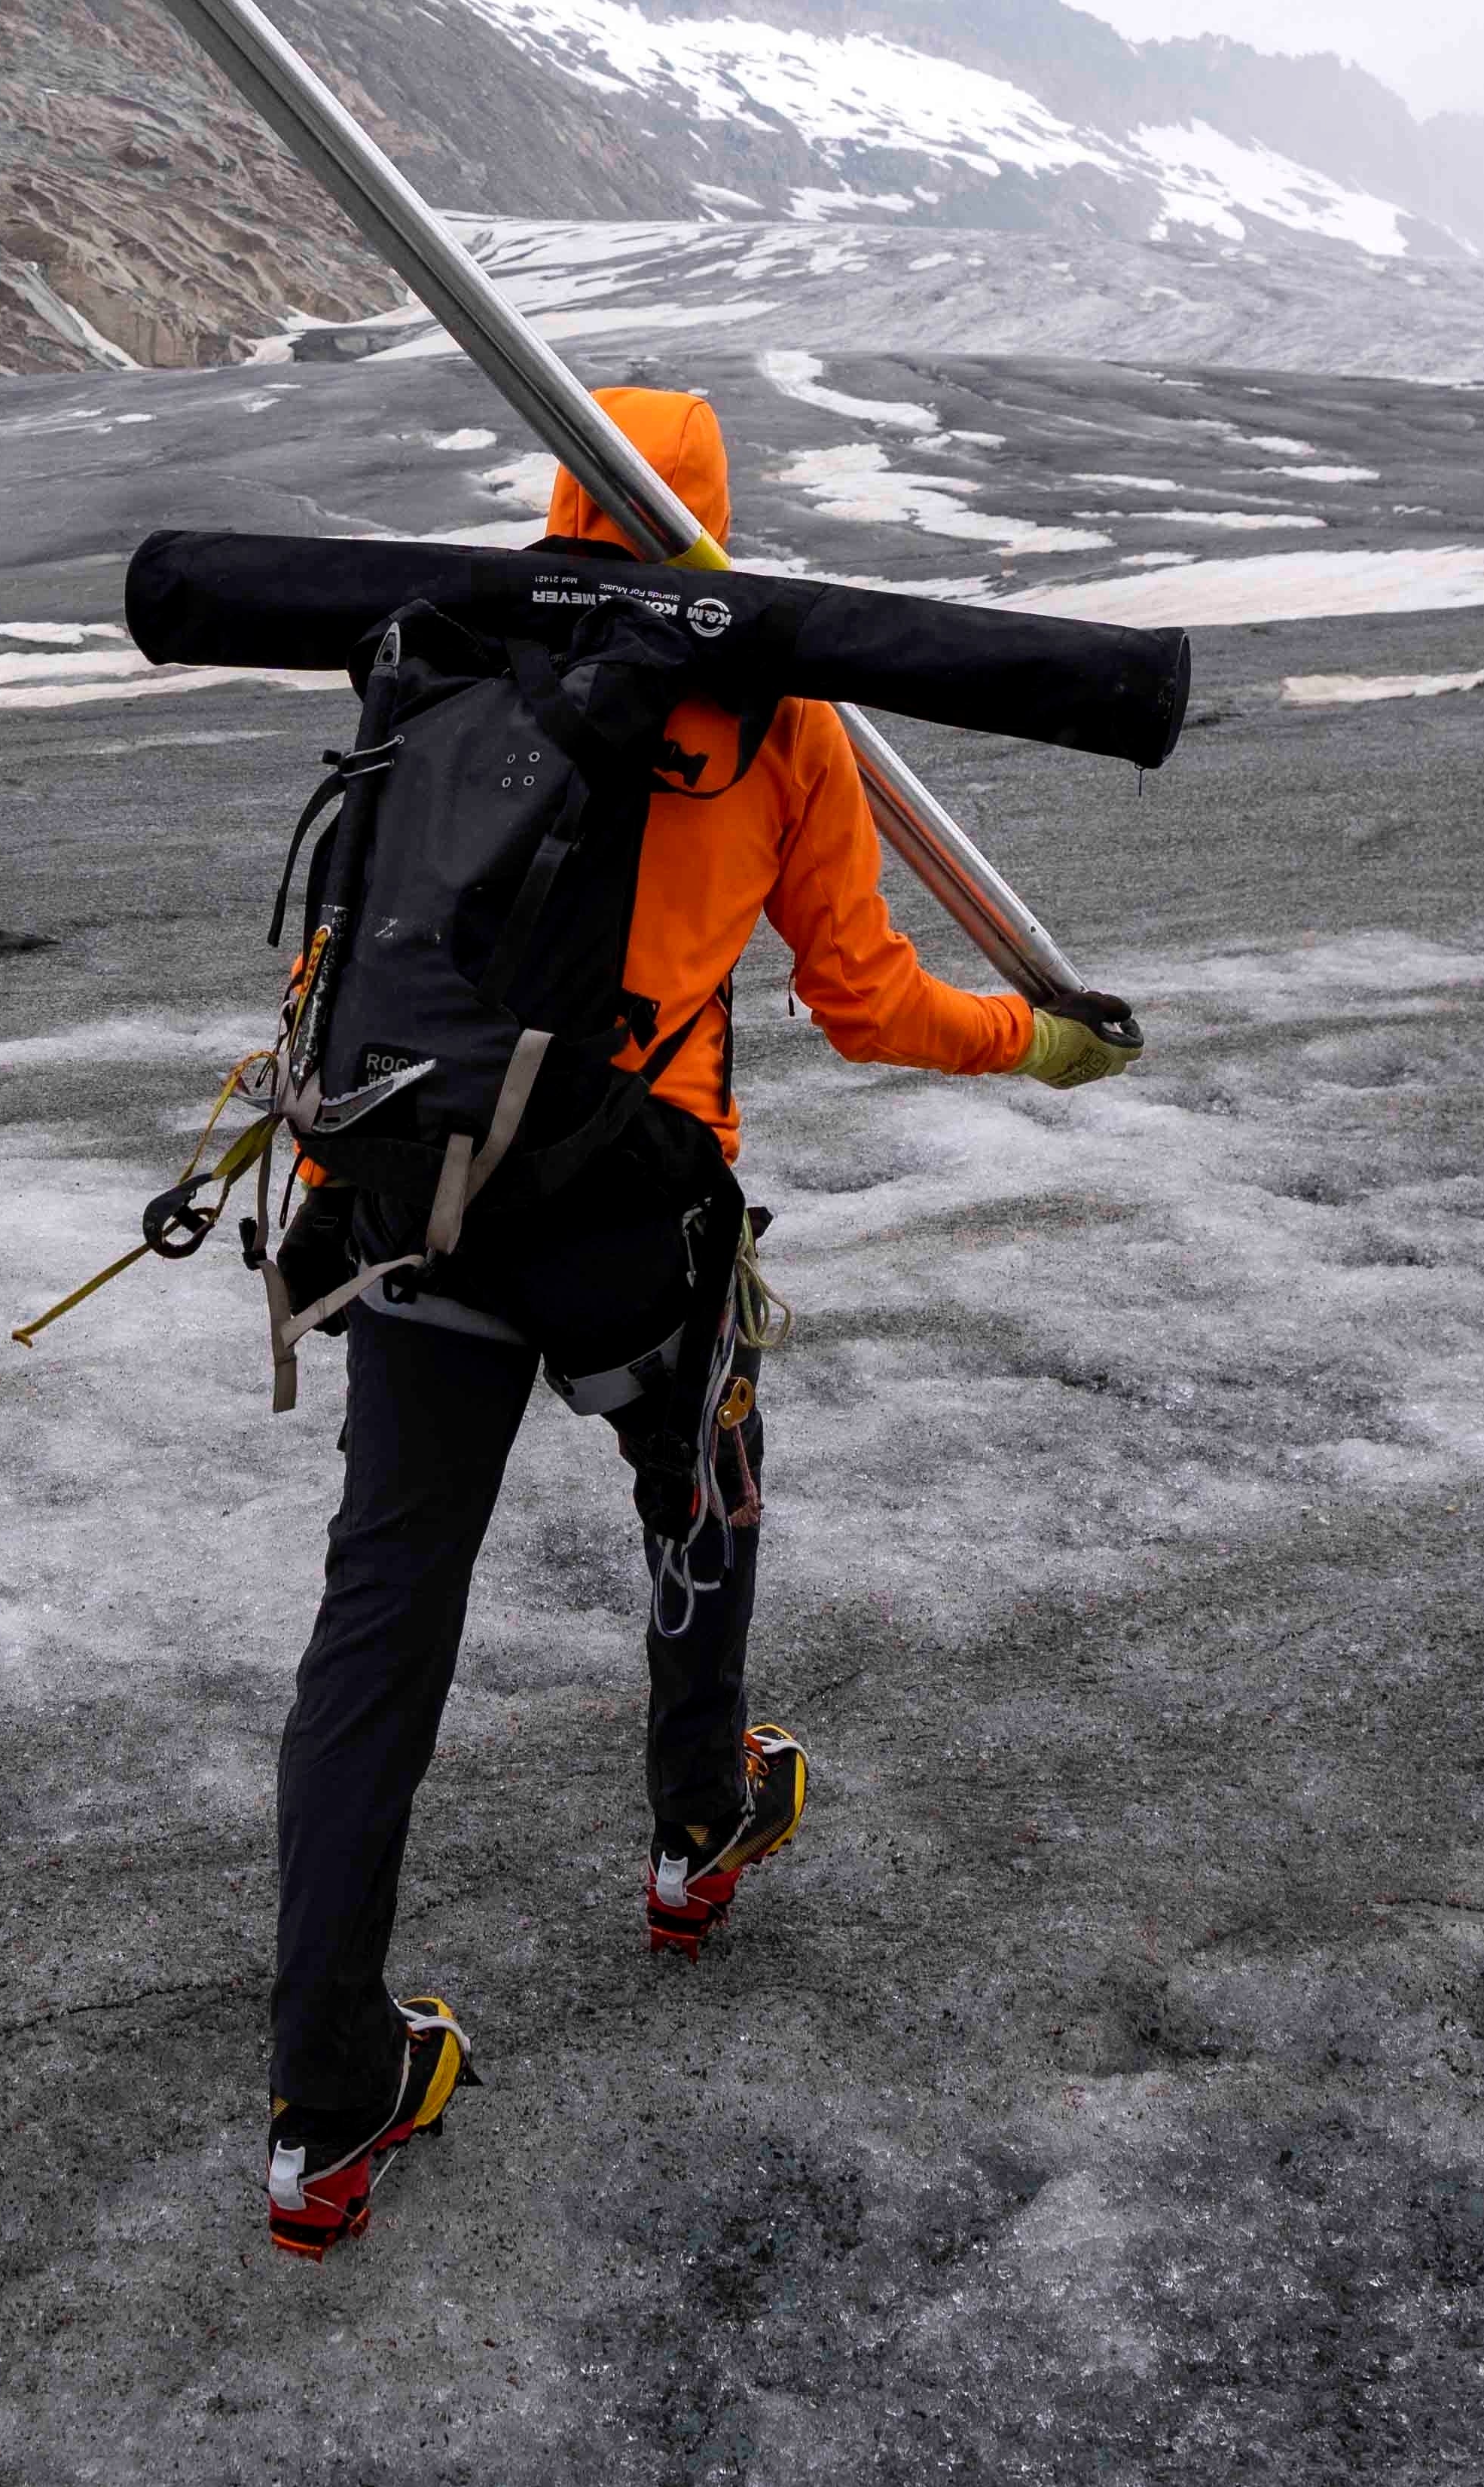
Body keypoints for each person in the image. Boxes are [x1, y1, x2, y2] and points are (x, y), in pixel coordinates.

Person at [258, 382, 1137, 2259]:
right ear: (710, 515)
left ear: (558, 492)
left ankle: (323, 2099)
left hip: (409, 1179)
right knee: (704, 1476)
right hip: (626, 1201)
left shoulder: (434, 651)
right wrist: (1036, 1039)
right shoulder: (771, 710)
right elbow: (867, 996)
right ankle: (694, 1823)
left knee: (383, 1610)